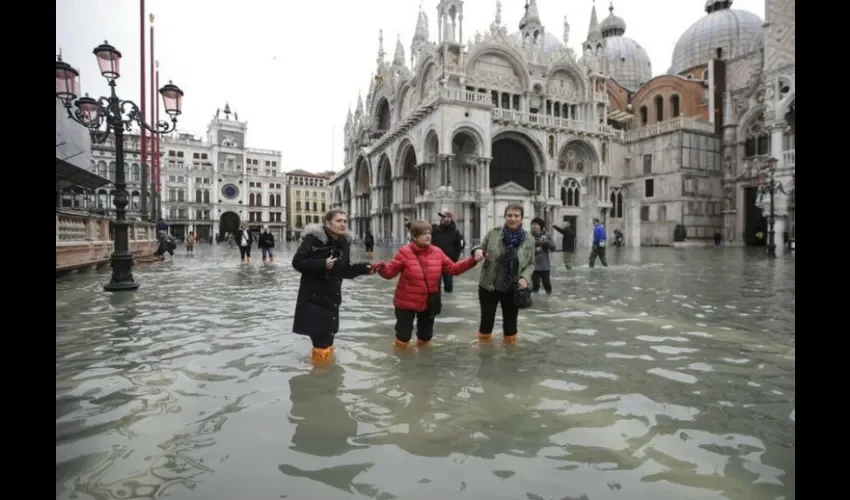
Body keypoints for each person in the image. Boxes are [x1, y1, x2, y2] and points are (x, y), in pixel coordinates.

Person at [376, 219, 479, 349]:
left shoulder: (437, 252)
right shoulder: (404, 252)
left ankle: (423, 364)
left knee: (425, 337)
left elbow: (453, 269)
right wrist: (381, 268)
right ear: (414, 236)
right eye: (424, 233)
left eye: (429, 233)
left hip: (428, 302)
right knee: (403, 336)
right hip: (406, 303)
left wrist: (473, 260)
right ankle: (403, 364)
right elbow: (390, 273)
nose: (428, 236)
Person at [291, 209, 377, 365]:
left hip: (332, 300)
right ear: (328, 223)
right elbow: (297, 262)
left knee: (328, 340)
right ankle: (322, 381)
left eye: (345, 221)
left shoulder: (344, 243)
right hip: (313, 300)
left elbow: (343, 270)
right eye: (339, 221)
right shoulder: (313, 240)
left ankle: (325, 378)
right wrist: (322, 264)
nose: (343, 224)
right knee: (322, 342)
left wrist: (365, 269)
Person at [471, 203, 535, 343]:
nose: (513, 219)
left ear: (522, 218)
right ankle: (484, 355)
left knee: (510, 327)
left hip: (512, 288)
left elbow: (530, 264)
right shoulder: (494, 232)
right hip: (488, 286)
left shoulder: (529, 239)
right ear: (505, 216)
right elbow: (480, 247)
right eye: (510, 215)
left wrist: (525, 278)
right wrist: (477, 251)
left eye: (516, 216)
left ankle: (510, 358)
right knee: (486, 323)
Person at [404, 210, 464, 293]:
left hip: (448, 263)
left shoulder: (456, 232)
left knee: (449, 286)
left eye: (446, 216)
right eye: (442, 217)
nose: (444, 218)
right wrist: (409, 224)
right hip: (434, 262)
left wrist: (454, 260)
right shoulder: (435, 229)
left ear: (450, 218)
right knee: (435, 286)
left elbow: (459, 247)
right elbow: (422, 229)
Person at [529, 218, 554, 294]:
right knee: (535, 285)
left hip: (545, 266)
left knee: (546, 283)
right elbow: (525, 249)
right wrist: (537, 243)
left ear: (540, 226)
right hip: (533, 266)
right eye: (532, 224)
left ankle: (549, 297)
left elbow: (553, 248)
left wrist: (546, 243)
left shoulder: (547, 235)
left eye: (535, 225)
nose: (533, 226)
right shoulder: (528, 236)